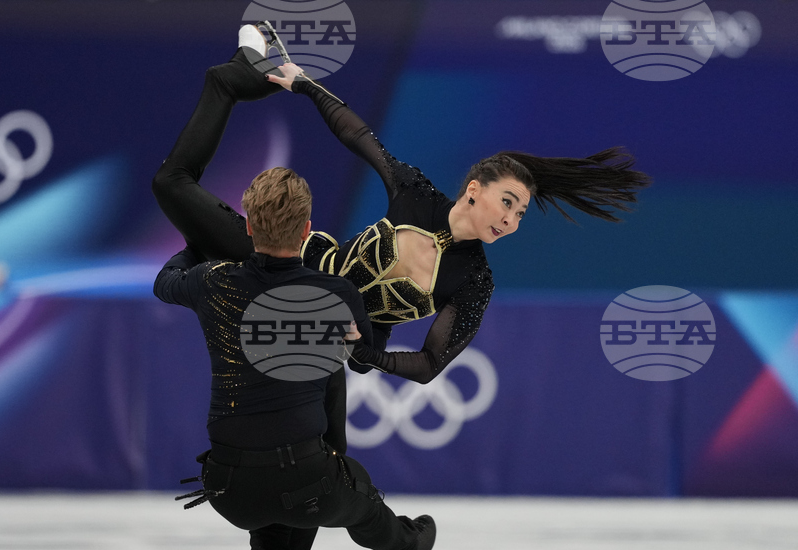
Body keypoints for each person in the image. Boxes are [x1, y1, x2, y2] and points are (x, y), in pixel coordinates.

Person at [152, 22, 652, 397]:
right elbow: (358, 135)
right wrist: (305, 84)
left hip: (324, 332)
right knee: (170, 185)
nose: (511, 219)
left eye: (520, 214)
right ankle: (227, 83)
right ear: (474, 189)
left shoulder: (474, 281)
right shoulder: (416, 195)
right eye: (508, 202)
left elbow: (431, 362)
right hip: (288, 261)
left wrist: (369, 353)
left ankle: (199, 254)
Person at [153, 163, 436, 550]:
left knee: (292, 418)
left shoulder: (214, 282)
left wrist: (195, 248)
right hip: (309, 486)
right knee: (343, 477)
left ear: (246, 226)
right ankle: (398, 547)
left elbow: (165, 280)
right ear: (307, 231)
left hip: (226, 487)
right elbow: (363, 357)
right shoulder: (337, 293)